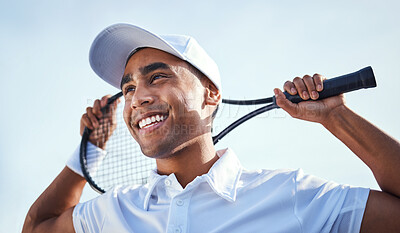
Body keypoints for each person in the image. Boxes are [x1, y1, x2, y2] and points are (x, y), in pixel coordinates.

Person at [23, 23, 400, 233]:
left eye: (157, 77)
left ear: (211, 94)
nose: (137, 97)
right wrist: (89, 150)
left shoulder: (293, 195)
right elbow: (36, 227)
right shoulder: (114, 212)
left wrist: (338, 118)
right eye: (129, 87)